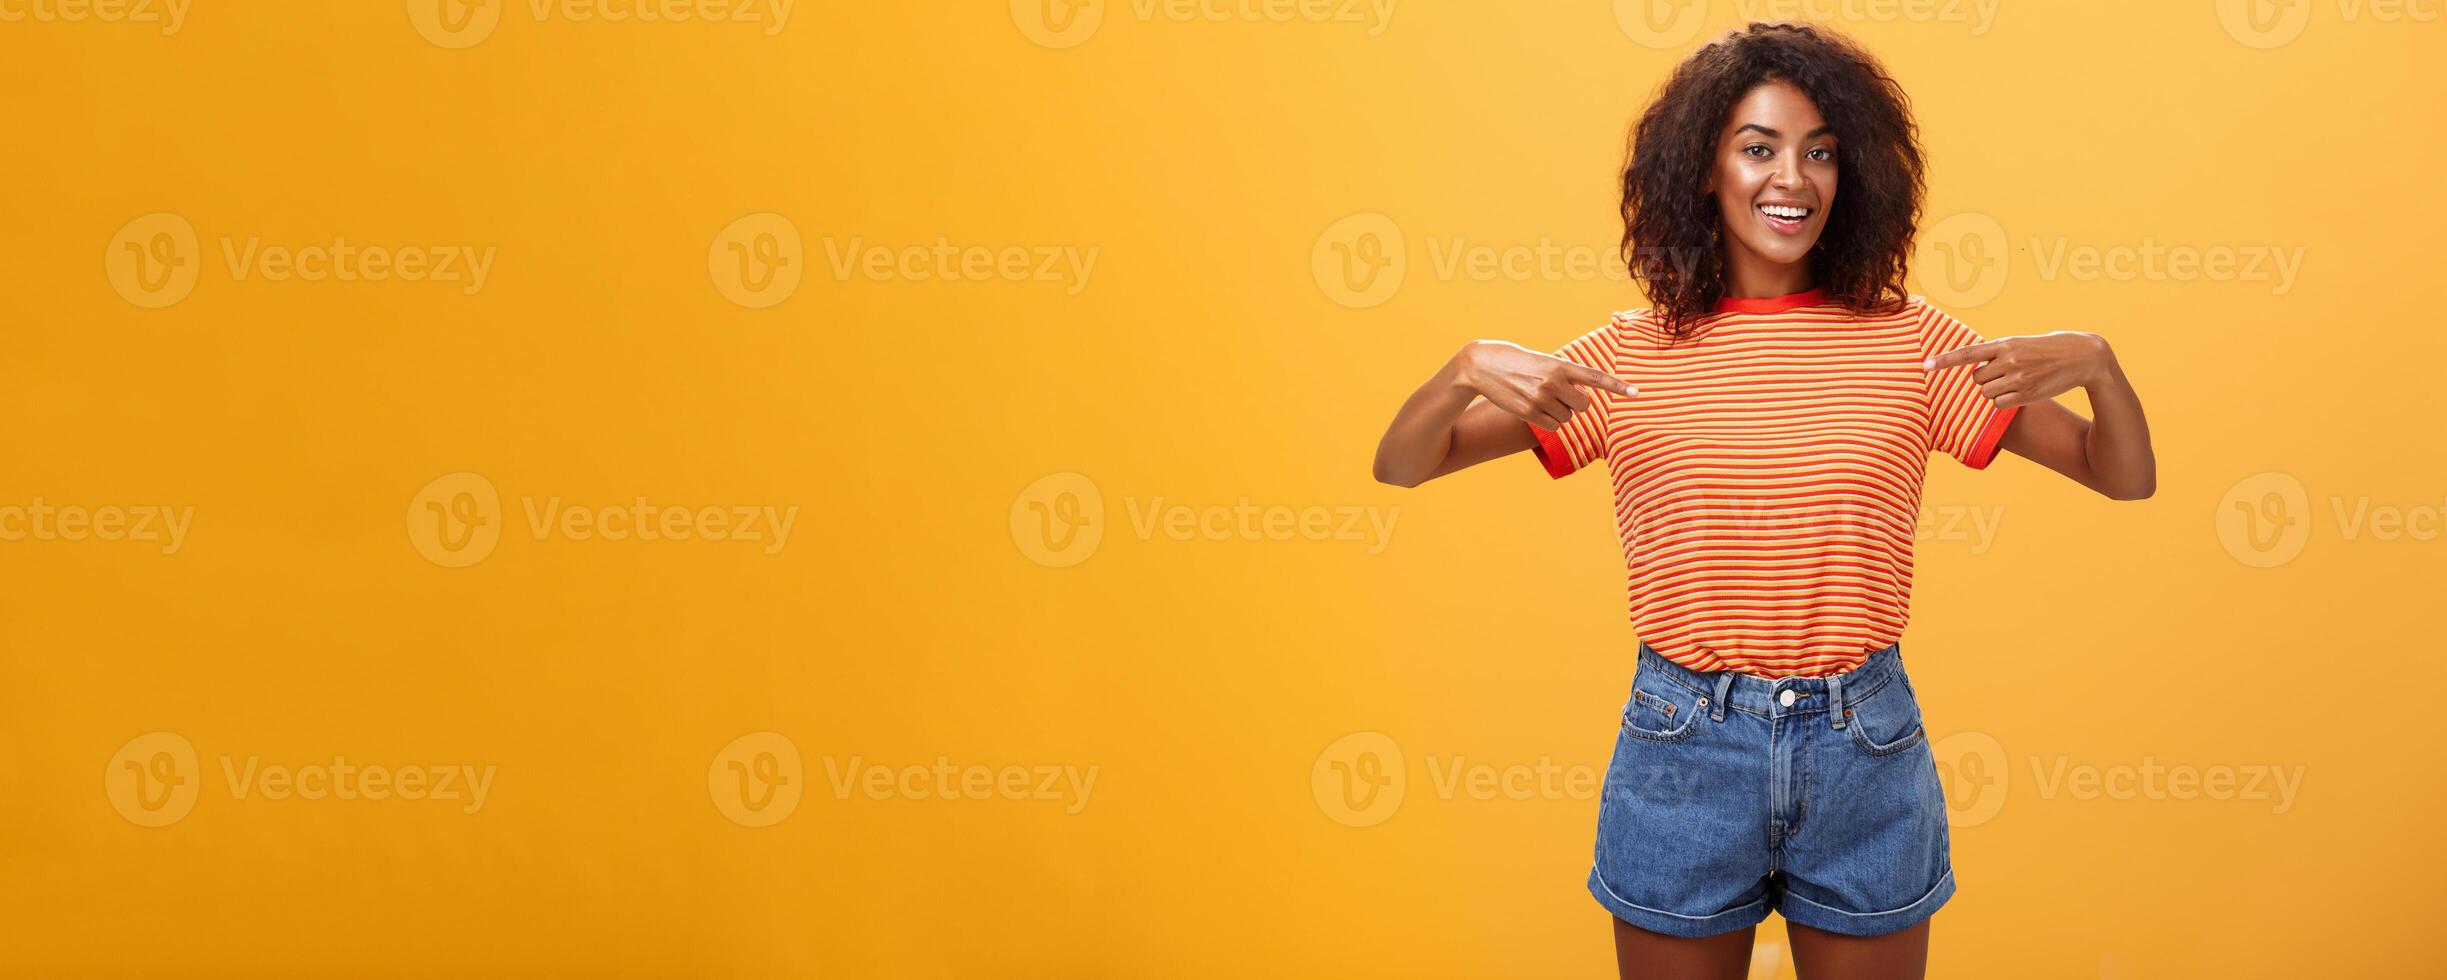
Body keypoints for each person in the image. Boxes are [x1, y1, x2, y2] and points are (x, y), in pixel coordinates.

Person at [1369, 21, 2155, 980]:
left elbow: (2119, 475)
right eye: (1758, 148)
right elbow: (1404, 464)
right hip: (1683, 743)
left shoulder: (1911, 345)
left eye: (1819, 152)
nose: (1794, 177)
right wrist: (1462, 368)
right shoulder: (1626, 354)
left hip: (1862, 742)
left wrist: (2100, 367)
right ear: (1703, 171)